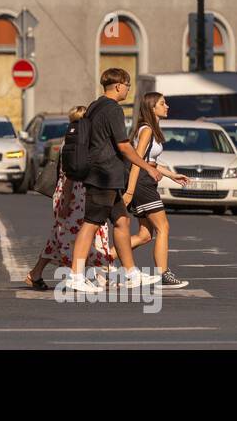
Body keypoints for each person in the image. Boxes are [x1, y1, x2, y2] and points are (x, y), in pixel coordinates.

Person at [63, 68, 164, 294]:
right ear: (119, 85)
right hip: (104, 174)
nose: (129, 90)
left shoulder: (95, 105)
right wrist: (147, 166)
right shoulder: (113, 109)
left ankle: (131, 273)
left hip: (107, 174)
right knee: (91, 223)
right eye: (128, 86)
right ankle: (75, 275)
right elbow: (124, 145)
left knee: (122, 222)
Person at [25, 106, 117, 289]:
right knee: (77, 235)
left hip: (78, 193)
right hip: (75, 195)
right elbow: (69, 175)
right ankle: (88, 276)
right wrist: (66, 201)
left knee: (64, 235)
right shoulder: (77, 143)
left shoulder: (72, 140)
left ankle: (37, 273)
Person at [123, 92, 192, 288]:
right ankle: (163, 273)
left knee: (145, 235)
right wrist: (129, 191)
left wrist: (171, 174)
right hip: (142, 183)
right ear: (151, 107)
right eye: (163, 103)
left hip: (143, 181)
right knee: (164, 227)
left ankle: (104, 259)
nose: (167, 106)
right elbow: (137, 162)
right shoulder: (146, 130)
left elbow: (149, 161)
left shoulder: (150, 129)